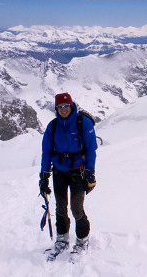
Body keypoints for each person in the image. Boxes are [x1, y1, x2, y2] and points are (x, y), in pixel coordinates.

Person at [39, 92, 98, 256]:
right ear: (56, 108)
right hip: (59, 171)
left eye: (66, 106)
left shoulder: (83, 123)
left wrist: (90, 173)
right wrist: (44, 176)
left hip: (78, 171)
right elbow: (46, 151)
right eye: (60, 107)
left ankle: (82, 240)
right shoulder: (52, 126)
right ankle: (62, 239)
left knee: (77, 208)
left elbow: (91, 149)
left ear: (71, 105)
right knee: (60, 207)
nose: (63, 109)